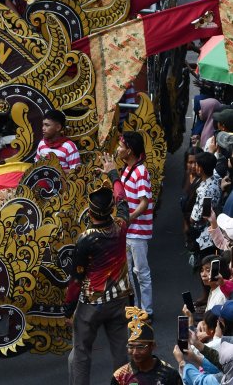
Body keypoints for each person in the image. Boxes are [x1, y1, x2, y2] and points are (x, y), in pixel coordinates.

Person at [65, 155, 131, 385]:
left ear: (90, 213)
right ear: (111, 210)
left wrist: (68, 309)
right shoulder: (121, 226)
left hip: (91, 303)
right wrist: (113, 173)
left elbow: (76, 280)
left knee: (81, 353)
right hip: (120, 301)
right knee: (122, 352)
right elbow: (123, 199)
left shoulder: (85, 240)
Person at [118, 132, 153, 320]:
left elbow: (144, 202)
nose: (118, 149)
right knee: (130, 273)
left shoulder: (140, 171)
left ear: (129, 150)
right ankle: (136, 308)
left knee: (141, 273)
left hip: (138, 232)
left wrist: (129, 218)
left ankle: (147, 310)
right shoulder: (127, 169)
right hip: (129, 230)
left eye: (121, 146)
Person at [112, 307, 181, 384]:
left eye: (140, 347)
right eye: (131, 346)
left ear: (153, 346)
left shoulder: (169, 374)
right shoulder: (120, 377)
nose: (135, 352)